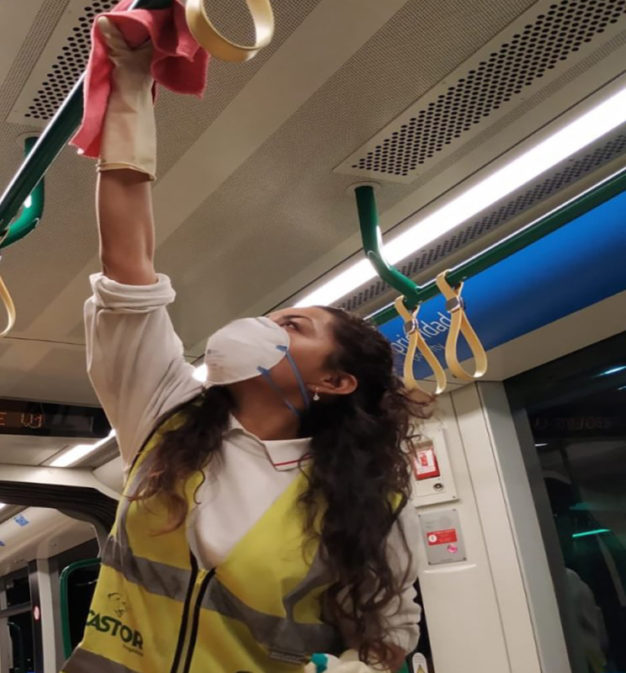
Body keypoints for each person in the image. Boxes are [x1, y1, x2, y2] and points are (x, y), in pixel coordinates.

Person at [63, 17, 429, 673]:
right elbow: (127, 263)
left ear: (336, 381)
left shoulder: (368, 498)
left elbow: (392, 627)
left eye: (294, 326)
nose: (268, 324)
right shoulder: (163, 414)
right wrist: (130, 89)